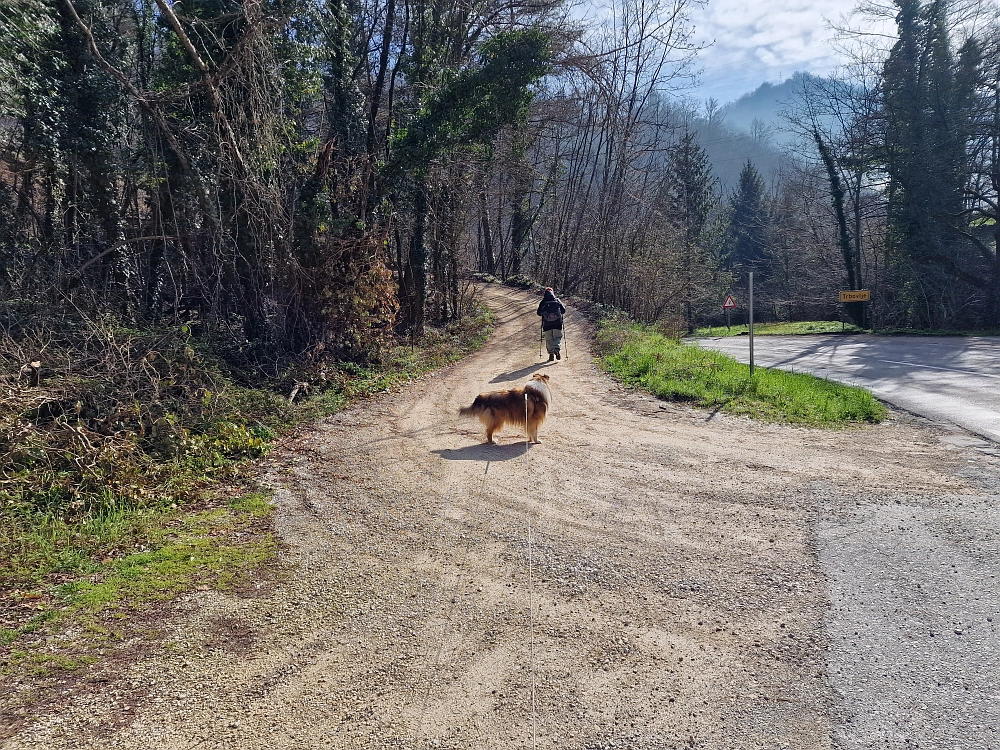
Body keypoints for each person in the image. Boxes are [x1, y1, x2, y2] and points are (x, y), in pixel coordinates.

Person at [536, 287, 566, 361]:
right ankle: (557, 348)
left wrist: (544, 313)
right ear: (553, 292)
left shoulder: (543, 302)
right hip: (557, 323)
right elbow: (563, 311)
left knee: (549, 339)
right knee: (557, 337)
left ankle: (551, 354)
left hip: (547, 324)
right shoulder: (557, 300)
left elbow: (538, 313)